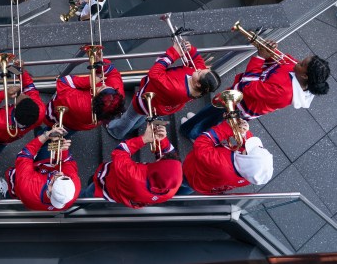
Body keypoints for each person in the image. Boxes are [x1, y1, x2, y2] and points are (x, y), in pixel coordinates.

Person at [180, 41, 331, 140]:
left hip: (239, 104)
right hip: (236, 97)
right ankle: (196, 123)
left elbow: (249, 87)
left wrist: (260, 57)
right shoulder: (297, 71)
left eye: (302, 63)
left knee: (212, 116)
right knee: (210, 111)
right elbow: (277, 62)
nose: (297, 61)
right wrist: (271, 51)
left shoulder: (284, 93)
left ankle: (191, 131)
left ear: (305, 75)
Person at [106, 40, 221, 140]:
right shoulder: (198, 84)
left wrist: (173, 53)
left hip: (145, 101)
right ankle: (134, 126)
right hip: (155, 104)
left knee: (130, 117)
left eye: (201, 72)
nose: (200, 69)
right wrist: (191, 50)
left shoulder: (176, 89)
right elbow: (199, 63)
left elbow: (155, 74)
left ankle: (116, 132)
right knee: (140, 116)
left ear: (199, 84)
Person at [82, 123, 182, 208]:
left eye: (162, 159)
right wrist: (162, 140)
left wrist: (144, 139)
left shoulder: (132, 174)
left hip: (105, 184)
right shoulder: (172, 187)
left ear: (157, 170)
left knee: (87, 194)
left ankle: (78, 203)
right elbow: (170, 159)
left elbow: (120, 151)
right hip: (121, 193)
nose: (161, 156)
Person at [42, 51, 125, 138]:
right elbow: (112, 72)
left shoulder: (80, 104)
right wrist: (101, 65)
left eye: (100, 88)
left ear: (95, 98)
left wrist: (88, 81)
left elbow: (63, 81)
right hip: (77, 124)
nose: (104, 84)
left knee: (48, 133)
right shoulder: (117, 96)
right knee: (67, 131)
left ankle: (42, 136)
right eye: (107, 87)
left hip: (59, 117)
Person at [0, 60, 45, 162]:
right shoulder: (39, 110)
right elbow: (29, 88)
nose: (23, 94)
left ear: (15, 107)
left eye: (20, 97)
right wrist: (15, 70)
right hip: (5, 140)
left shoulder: (0, 120)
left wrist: (5, 93)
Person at [182, 119, 273, 195]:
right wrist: (244, 134)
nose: (246, 148)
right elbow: (248, 152)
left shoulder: (220, 164)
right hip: (204, 184)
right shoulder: (251, 175)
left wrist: (229, 129)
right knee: (190, 188)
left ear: (245, 160)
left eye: (248, 151)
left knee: (182, 182)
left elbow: (202, 143)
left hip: (190, 173)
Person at [1, 125, 80, 211]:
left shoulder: (28, 185)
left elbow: (24, 155)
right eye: (65, 177)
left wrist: (45, 136)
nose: (60, 173)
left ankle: (8, 194)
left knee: (13, 188)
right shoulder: (72, 189)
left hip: (25, 184)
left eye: (56, 178)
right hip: (43, 169)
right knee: (45, 150)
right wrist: (62, 150)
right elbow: (68, 163)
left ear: (50, 188)